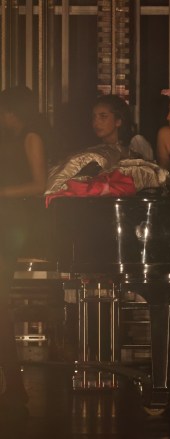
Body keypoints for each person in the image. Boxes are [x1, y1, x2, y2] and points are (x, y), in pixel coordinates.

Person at [0, 86, 50, 427]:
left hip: (19, 222)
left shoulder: (32, 136)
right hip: (8, 219)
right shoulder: (11, 137)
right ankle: (13, 385)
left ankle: (15, 385)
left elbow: (39, 184)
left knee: (2, 305)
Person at [91, 94, 153, 161]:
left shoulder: (136, 143)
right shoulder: (95, 149)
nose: (96, 122)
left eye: (103, 116)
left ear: (118, 121)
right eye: (94, 117)